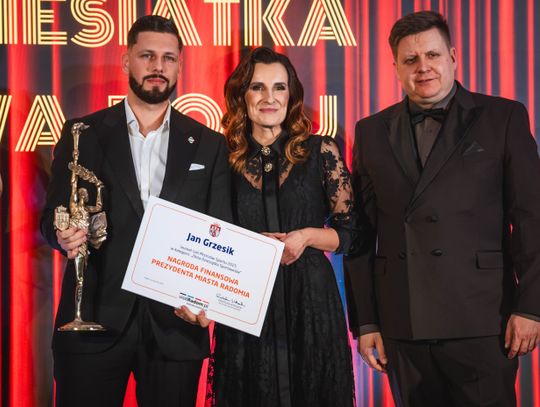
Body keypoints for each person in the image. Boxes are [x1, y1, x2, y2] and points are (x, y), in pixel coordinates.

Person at [344, 10, 540, 407]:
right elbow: (360, 234)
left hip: (483, 319)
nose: (423, 67)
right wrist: (366, 321)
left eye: (432, 55)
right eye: (410, 59)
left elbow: (531, 218)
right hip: (403, 322)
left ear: (452, 56)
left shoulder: (503, 117)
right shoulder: (370, 131)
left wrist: (531, 308)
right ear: (396, 67)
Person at [41, 15, 231, 407]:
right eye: (147, 56)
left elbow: (220, 230)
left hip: (176, 324)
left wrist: (209, 299)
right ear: (127, 60)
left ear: (179, 65)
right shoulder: (82, 134)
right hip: (93, 317)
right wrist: (62, 235)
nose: (158, 67)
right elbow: (51, 217)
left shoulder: (209, 144)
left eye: (168, 58)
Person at [210, 46, 357, 407]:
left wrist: (305, 237)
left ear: (291, 96)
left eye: (279, 87)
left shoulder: (321, 151)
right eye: (257, 87)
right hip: (244, 298)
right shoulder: (221, 158)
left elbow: (350, 233)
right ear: (242, 95)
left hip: (310, 300)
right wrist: (248, 247)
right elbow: (209, 233)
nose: (269, 98)